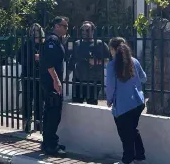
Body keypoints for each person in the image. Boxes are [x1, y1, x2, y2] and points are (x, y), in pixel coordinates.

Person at [105, 37, 147, 164]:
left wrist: (109, 100)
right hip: (138, 102)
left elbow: (110, 86)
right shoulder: (134, 61)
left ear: (113, 49)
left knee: (125, 133)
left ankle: (128, 161)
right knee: (133, 129)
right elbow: (144, 78)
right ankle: (139, 157)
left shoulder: (112, 65)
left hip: (123, 105)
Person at [39, 17, 69, 155]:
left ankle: (48, 142)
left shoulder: (56, 40)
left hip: (51, 81)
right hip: (51, 82)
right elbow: (49, 63)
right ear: (57, 26)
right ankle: (51, 145)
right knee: (53, 113)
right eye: (64, 26)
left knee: (50, 112)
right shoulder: (52, 40)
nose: (66, 29)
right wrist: (56, 81)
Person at [70, 21, 109, 105]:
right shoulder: (77, 44)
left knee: (92, 105)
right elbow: (73, 60)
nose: (84, 32)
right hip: (78, 79)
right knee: (76, 104)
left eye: (87, 30)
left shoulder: (99, 44)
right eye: (82, 30)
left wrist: (96, 62)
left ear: (93, 31)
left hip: (94, 80)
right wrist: (66, 76)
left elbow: (108, 59)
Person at [18, 24, 45, 133]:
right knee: (27, 100)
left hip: (40, 76)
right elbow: (19, 59)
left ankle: (38, 124)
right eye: (33, 30)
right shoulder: (26, 44)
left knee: (39, 100)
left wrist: (41, 58)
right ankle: (27, 123)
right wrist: (32, 59)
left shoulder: (44, 45)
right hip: (28, 75)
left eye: (37, 30)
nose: (34, 32)